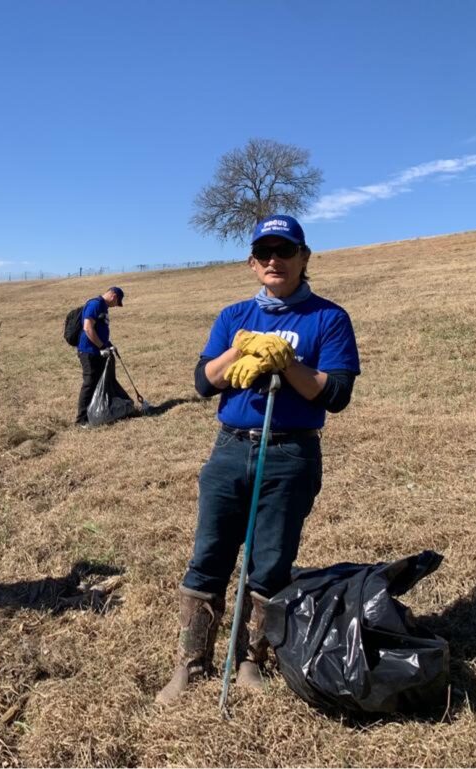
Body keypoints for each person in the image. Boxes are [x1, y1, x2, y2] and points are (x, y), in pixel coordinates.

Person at [156, 214, 360, 703]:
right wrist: (241, 349)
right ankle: (190, 662)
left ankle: (251, 660)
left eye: (285, 251)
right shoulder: (232, 316)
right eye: (265, 253)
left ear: (303, 258)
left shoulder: (328, 318)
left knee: (269, 564)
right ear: (252, 263)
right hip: (230, 448)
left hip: (290, 452)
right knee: (208, 556)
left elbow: (334, 394)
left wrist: (285, 361)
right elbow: (204, 382)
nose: (275, 260)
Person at [74, 286, 126, 427]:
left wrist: (109, 345)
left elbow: (100, 331)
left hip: (97, 351)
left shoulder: (103, 307)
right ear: (114, 296)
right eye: (117, 302)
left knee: (98, 382)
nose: (116, 306)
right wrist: (102, 347)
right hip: (88, 351)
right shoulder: (95, 304)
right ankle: (81, 420)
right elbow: (88, 328)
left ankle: (95, 413)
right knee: (90, 383)